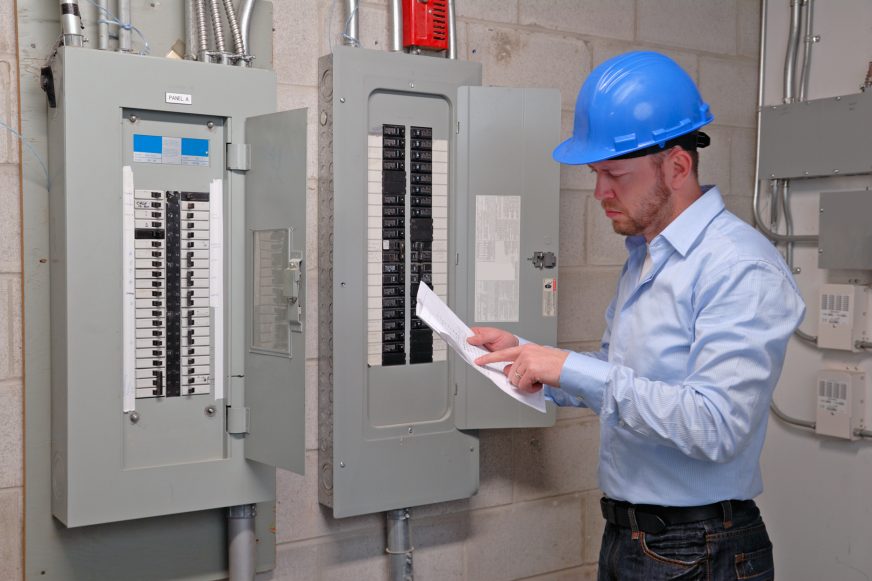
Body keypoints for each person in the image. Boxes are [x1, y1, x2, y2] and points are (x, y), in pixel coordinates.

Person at [469, 51, 805, 581]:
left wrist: (570, 368)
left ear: (676, 165)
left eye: (615, 175)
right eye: (596, 174)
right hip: (634, 539)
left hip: (701, 549)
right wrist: (534, 363)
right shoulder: (647, 254)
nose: (599, 192)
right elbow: (622, 375)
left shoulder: (740, 267)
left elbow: (716, 425)